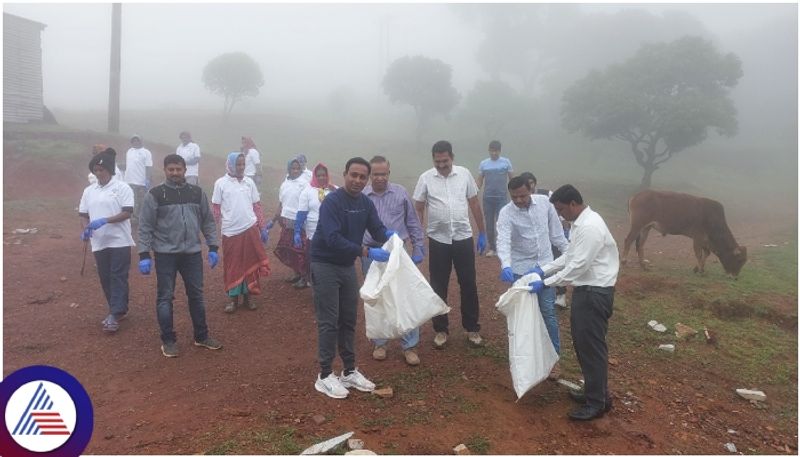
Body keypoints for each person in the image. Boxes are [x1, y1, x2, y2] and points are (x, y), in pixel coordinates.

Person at [529, 184, 619, 421]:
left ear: (573, 204)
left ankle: (597, 403)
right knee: (584, 346)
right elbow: (570, 255)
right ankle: (594, 392)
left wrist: (547, 282)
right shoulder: (580, 223)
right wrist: (543, 269)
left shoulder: (589, 227)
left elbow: (578, 266)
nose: (560, 215)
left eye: (561, 210)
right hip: (587, 290)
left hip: (594, 292)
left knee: (592, 349)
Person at [310, 157, 391, 399]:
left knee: (348, 319)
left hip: (345, 265)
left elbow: (376, 229)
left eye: (361, 177)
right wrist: (365, 251)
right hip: (324, 262)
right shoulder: (332, 202)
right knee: (329, 320)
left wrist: (389, 235)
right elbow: (332, 238)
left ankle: (349, 371)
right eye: (353, 175)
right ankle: (324, 375)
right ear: (344, 175)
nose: (357, 180)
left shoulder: (365, 203)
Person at [138, 154, 222, 358]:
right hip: (165, 254)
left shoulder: (196, 193)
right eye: (171, 169)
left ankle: (201, 336)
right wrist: (144, 254)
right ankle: (168, 340)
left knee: (197, 296)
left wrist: (213, 246)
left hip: (192, 253)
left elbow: (208, 221)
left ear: (185, 170)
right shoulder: (155, 194)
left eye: (178, 169)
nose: (175, 173)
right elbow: (145, 225)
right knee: (165, 297)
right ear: (165, 170)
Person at [413, 140, 487, 348]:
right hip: (438, 239)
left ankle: (472, 328)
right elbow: (418, 207)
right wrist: (419, 237)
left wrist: (482, 232)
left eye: (445, 161)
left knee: (468, 283)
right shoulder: (425, 178)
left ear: (452, 157)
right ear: (433, 160)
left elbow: (473, 202)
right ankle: (441, 329)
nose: (441, 165)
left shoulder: (464, 174)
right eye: (437, 162)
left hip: (463, 237)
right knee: (438, 285)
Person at [496, 176, 569, 379]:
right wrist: (506, 265)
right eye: (514, 197)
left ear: (531, 189)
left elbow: (557, 234)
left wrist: (569, 254)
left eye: (523, 195)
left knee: (548, 313)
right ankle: (525, 359)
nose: (519, 200)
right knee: (523, 316)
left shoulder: (545, 204)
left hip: (545, 267)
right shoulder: (506, 213)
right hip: (520, 270)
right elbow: (503, 240)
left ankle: (553, 360)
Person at [362, 155, 425, 366]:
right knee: (377, 298)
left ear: (389, 173)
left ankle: (410, 346)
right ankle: (380, 343)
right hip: (372, 253)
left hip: (398, 252)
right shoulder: (362, 196)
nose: (379, 178)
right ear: (370, 175)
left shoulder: (400, 193)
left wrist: (418, 246)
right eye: (375, 174)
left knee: (404, 296)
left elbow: (412, 222)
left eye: (383, 174)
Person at [78, 148, 135, 333]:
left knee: (117, 275)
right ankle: (119, 308)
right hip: (99, 241)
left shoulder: (122, 188)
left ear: (110, 170)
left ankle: (114, 313)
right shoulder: (89, 191)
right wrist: (86, 228)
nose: (98, 173)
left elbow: (127, 212)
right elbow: (83, 214)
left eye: (102, 169)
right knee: (105, 277)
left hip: (120, 240)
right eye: (96, 169)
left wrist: (105, 220)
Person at [212, 152, 271, 313]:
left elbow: (256, 206)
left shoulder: (249, 182)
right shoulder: (221, 184)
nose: (241, 167)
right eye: (238, 164)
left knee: (250, 263)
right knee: (233, 265)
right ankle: (233, 299)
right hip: (231, 231)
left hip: (250, 228)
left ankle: (248, 297)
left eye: (243, 164)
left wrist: (262, 227)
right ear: (230, 164)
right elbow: (216, 209)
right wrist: (211, 233)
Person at [520, 171, 570, 308]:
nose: (529, 186)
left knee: (557, 262)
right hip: (536, 238)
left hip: (553, 234)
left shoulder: (548, 195)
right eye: (527, 183)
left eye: (531, 183)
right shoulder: (521, 199)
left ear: (535, 183)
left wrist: (565, 229)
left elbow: (561, 211)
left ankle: (561, 295)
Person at [293, 162, 337, 289]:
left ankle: (330, 286)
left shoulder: (335, 190)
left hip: (332, 234)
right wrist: (297, 231)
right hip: (313, 234)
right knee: (314, 261)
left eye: (324, 175)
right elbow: (301, 214)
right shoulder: (307, 192)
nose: (322, 178)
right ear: (314, 176)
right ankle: (316, 288)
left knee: (331, 261)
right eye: (319, 175)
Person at [271, 157, 310, 286]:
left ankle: (305, 277)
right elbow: (281, 202)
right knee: (289, 249)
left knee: (300, 250)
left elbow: (307, 203)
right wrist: (274, 219)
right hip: (286, 220)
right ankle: (297, 273)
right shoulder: (285, 184)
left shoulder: (304, 183)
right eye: (293, 168)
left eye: (298, 168)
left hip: (299, 221)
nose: (295, 170)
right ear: (289, 169)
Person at [476, 140, 513, 257]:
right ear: (489, 150)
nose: (494, 153)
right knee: (489, 224)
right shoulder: (484, 164)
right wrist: (475, 191)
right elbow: (480, 181)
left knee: (502, 223)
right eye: (492, 151)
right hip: (488, 198)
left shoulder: (506, 162)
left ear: (500, 151)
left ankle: (503, 248)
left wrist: (515, 194)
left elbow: (512, 180)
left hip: (502, 198)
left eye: (496, 151)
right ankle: (492, 248)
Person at [124, 135, 153, 224]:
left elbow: (148, 167)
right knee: (131, 200)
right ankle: (131, 217)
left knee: (141, 200)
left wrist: (147, 179)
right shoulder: (129, 151)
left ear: (141, 141)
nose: (135, 142)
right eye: (133, 141)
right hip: (129, 180)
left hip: (140, 181)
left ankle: (139, 217)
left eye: (137, 141)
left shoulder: (146, 152)